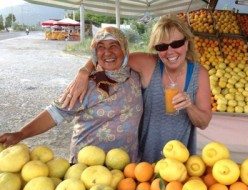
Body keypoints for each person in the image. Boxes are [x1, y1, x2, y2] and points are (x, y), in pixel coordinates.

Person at [60, 14, 212, 163]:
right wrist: (84, 71)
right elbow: (111, 57)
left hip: (180, 160)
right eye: (162, 46)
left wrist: (189, 106)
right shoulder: (147, 64)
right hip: (143, 162)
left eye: (177, 44)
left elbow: (204, 123)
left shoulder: (199, 74)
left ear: (187, 43)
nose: (170, 51)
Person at [0, 27, 143, 163]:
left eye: (114, 45)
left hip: (126, 164)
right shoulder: (87, 84)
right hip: (87, 167)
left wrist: (85, 68)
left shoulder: (136, 76)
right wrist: (21, 134)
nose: (107, 52)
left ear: (124, 49)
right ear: (94, 52)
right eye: (101, 47)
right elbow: (56, 112)